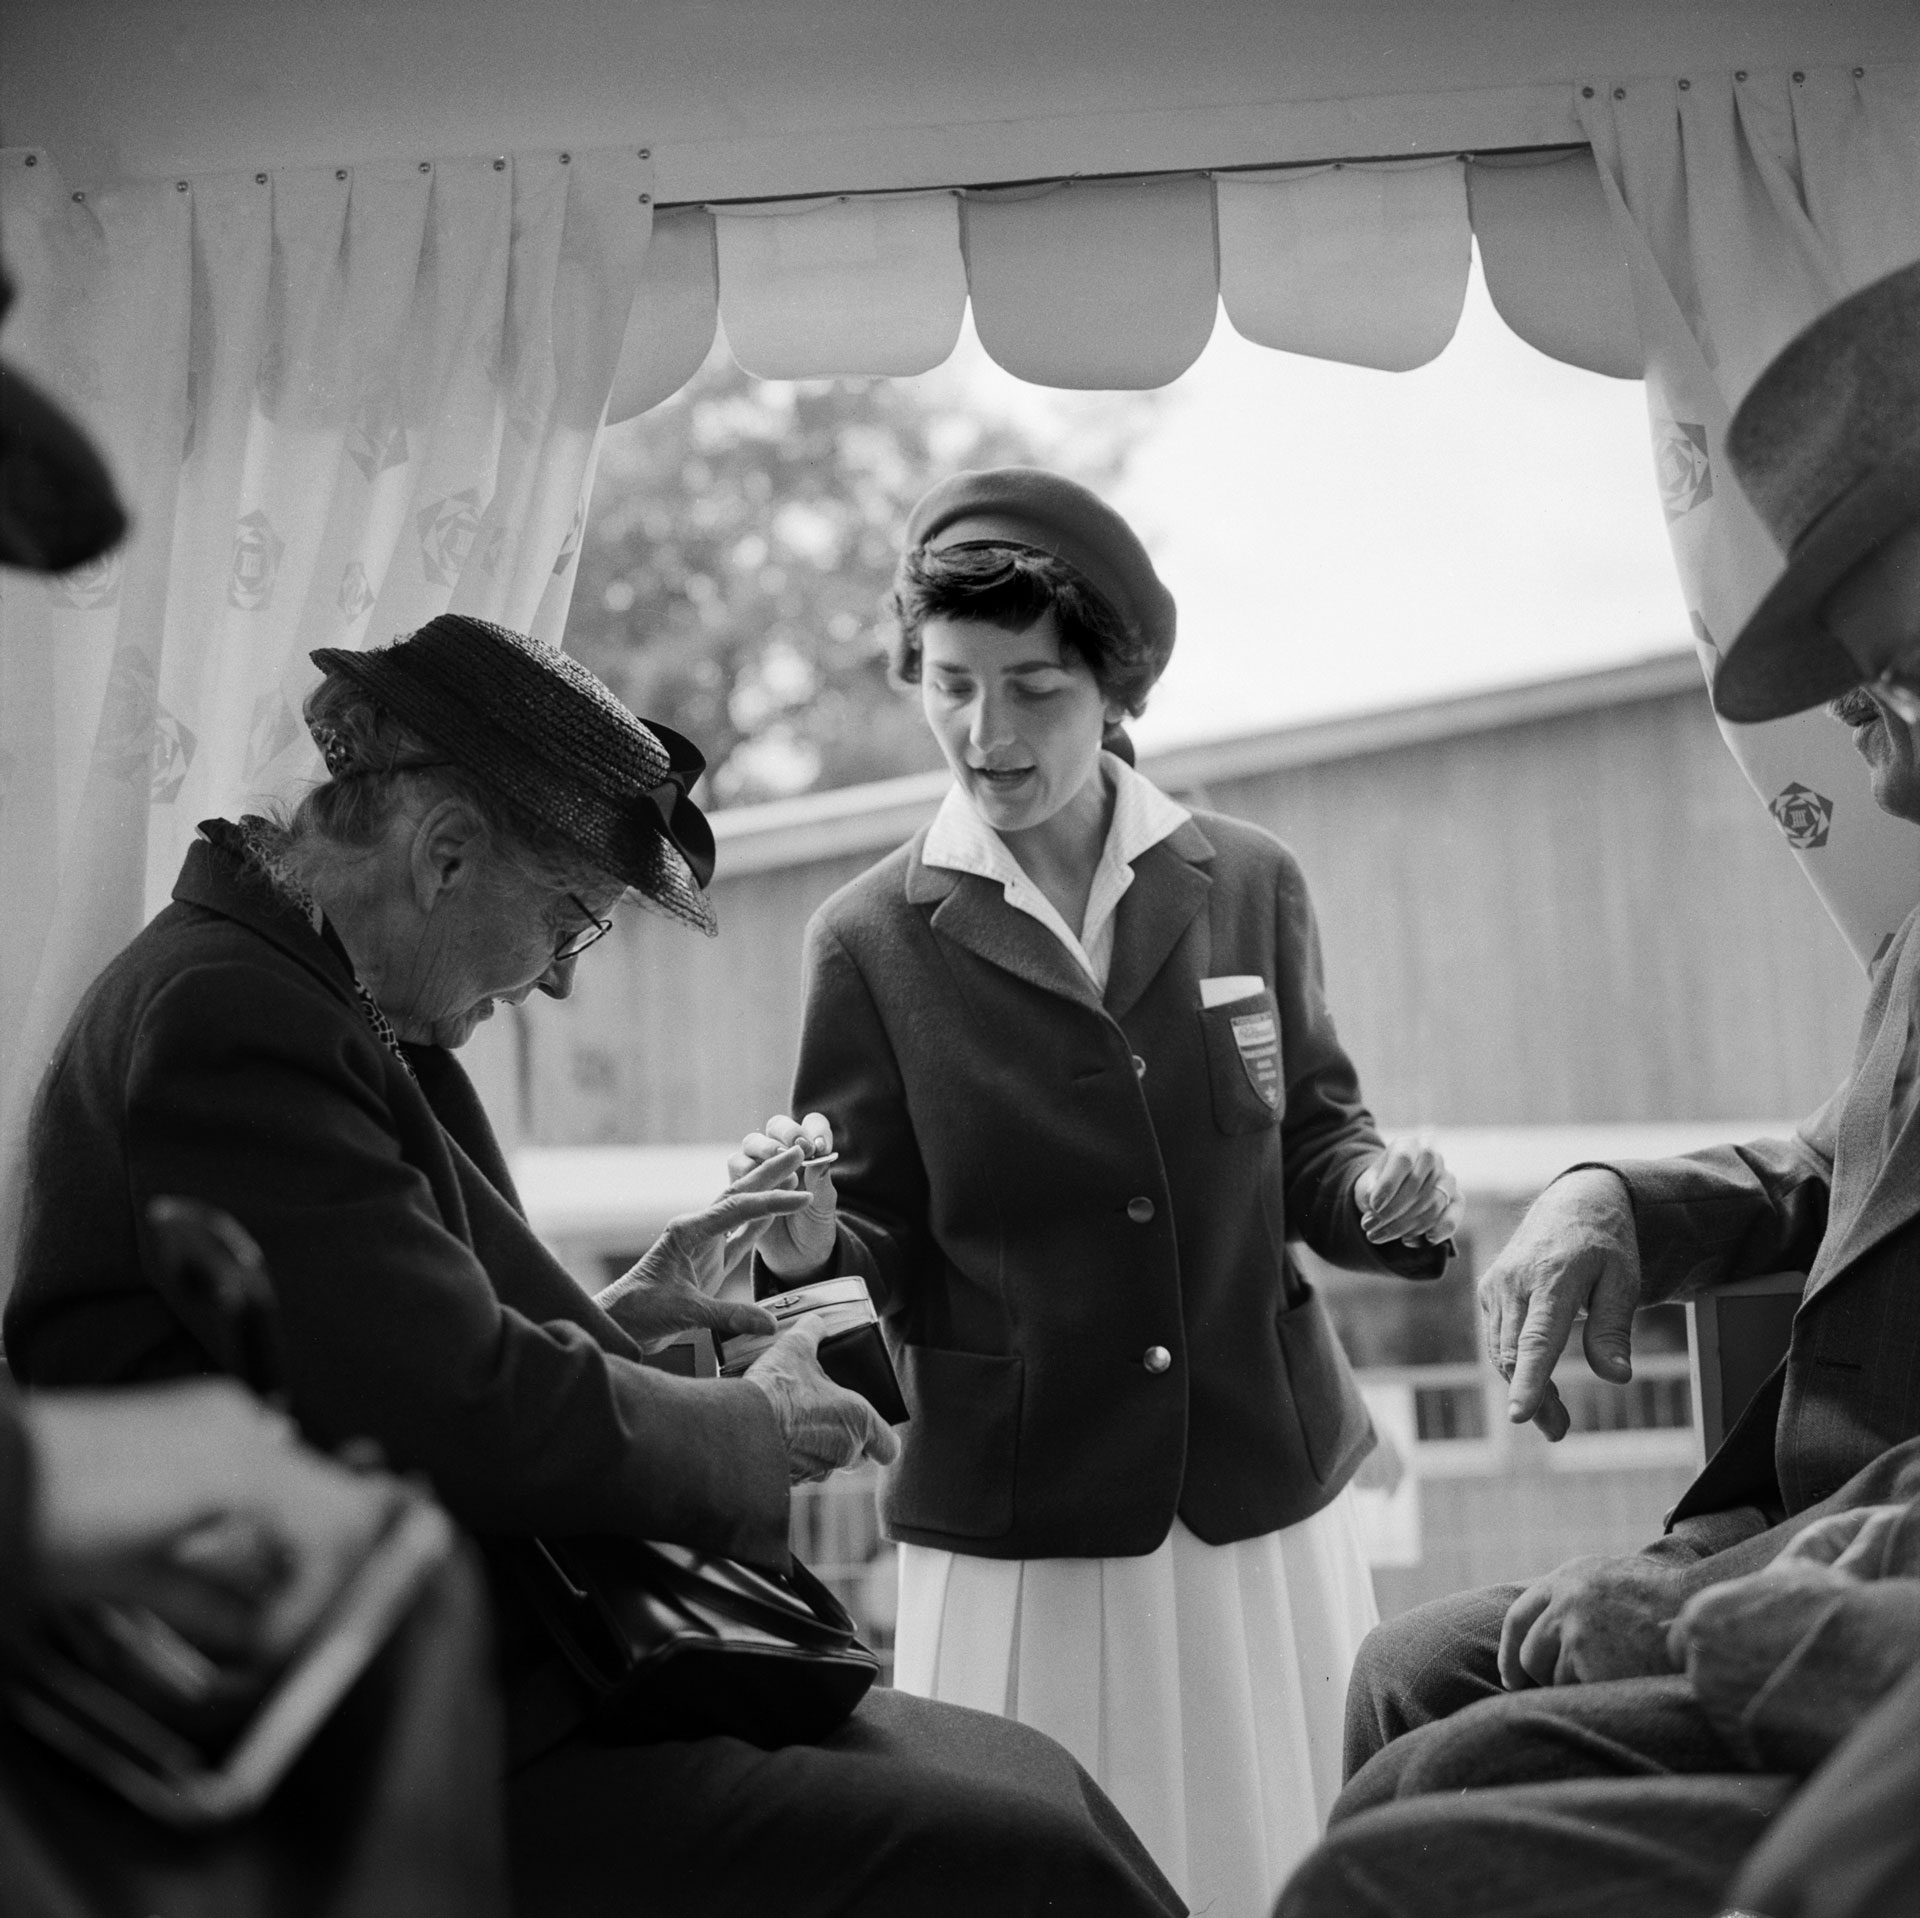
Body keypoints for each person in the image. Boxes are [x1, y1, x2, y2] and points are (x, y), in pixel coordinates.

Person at [4, 613, 1185, 1918]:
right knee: (1024, 1855)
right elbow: (457, 1404)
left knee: (1031, 1791)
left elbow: (383, 1353)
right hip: (338, 1754)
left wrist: (632, 1319)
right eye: (572, 917)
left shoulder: (296, 992)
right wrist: (753, 1418)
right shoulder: (233, 1016)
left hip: (458, 1679)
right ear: (446, 852)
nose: (562, 978)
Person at [737, 466, 1461, 1915]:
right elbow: (862, 1262)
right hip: (1028, 1526)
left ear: (1115, 690)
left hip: (1258, 1492)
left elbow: (1313, 1142)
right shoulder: (868, 937)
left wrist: (1385, 1188)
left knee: (1287, 1864)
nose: (985, 733)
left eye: (1034, 688)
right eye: (951, 684)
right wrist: (812, 1244)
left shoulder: (1249, 879)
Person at [1297, 259, 1920, 1914]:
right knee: (1407, 1668)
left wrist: (1734, 1595)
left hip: (1868, 1578)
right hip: (1815, 1531)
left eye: (1899, 669)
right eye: (1861, 681)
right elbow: (1839, 1171)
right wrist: (1616, 1197)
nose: (1878, 740)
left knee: (1425, 1797)